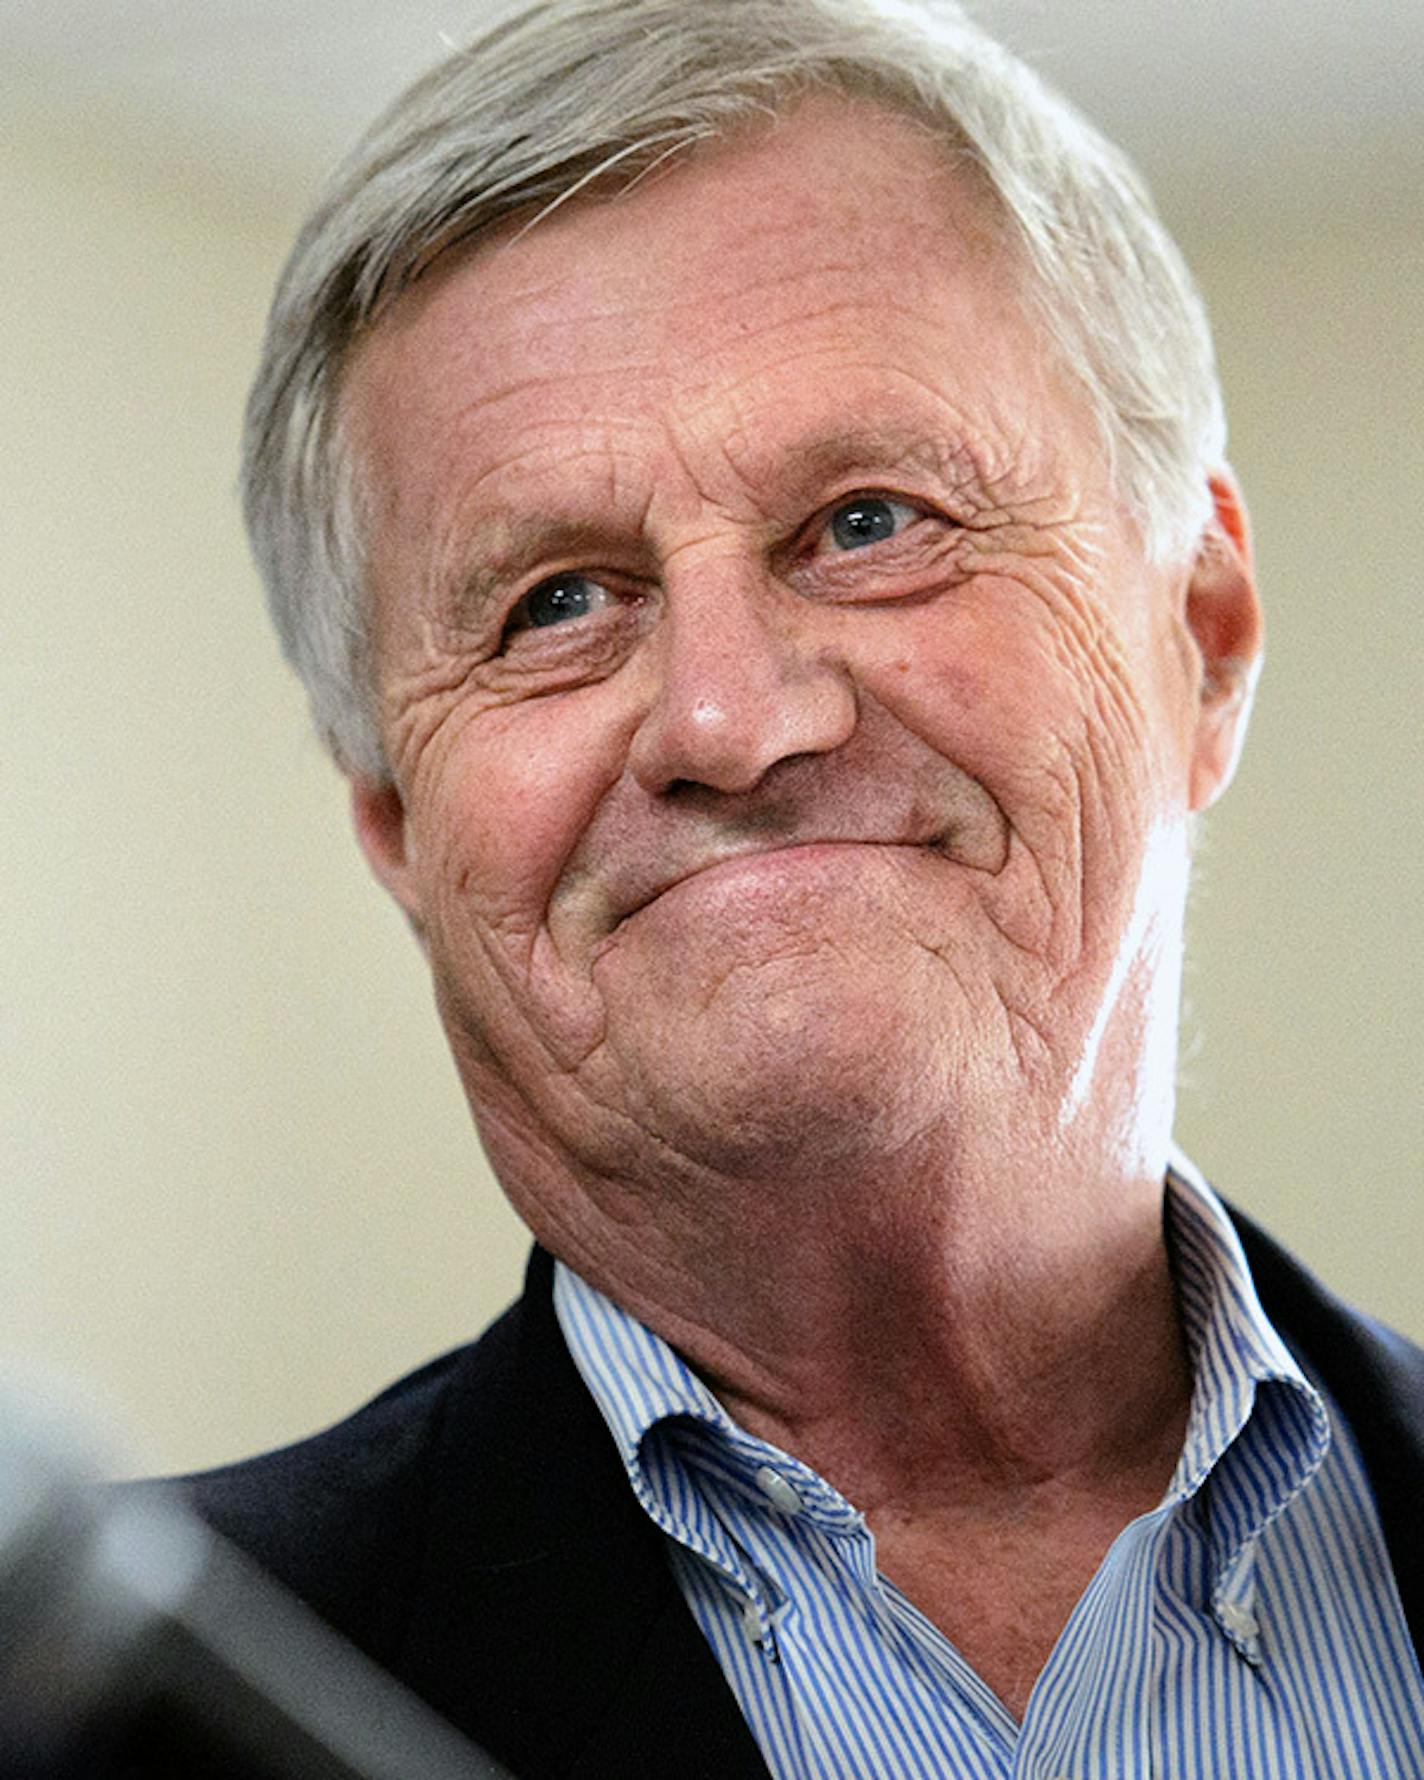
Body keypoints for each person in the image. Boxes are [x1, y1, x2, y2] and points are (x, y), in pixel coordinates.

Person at [176, 1, 1424, 1774]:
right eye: (557, 602)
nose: (728, 718)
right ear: (392, 822)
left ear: (1202, 641)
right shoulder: (102, 1713)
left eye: (867, 520)